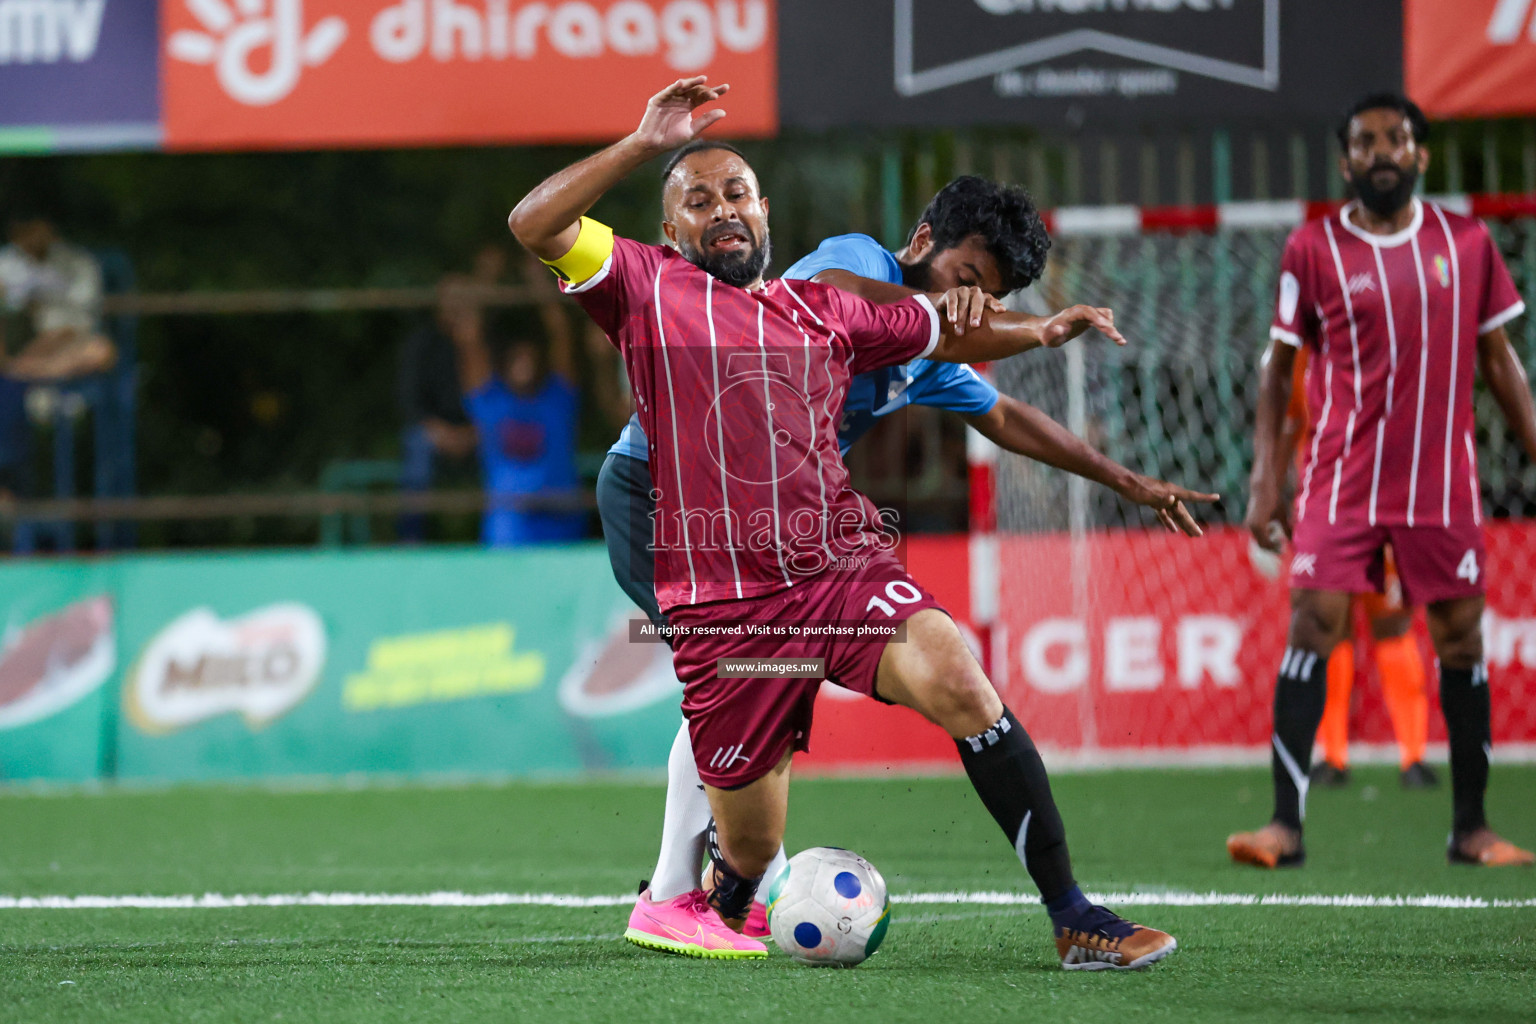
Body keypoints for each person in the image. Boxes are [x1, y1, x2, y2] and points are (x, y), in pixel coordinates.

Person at [510, 76, 1188, 969]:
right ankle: (702, 889)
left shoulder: (821, 315)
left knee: (959, 679)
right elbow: (534, 223)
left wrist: (1042, 338)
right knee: (751, 840)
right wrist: (642, 144)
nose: (723, 208)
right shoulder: (652, 285)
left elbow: (946, 336)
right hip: (699, 560)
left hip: (834, 563)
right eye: (698, 198)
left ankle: (1074, 914)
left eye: (739, 193)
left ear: (765, 214)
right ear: (670, 230)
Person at [1230, 92, 1536, 870]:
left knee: (1461, 639)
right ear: (1346, 161)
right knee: (1313, 626)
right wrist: (1267, 479)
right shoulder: (1312, 248)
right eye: (1364, 142)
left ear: (1421, 155)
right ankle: (1283, 826)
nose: (1381, 153)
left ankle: (1471, 828)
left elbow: (1501, 362)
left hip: (1441, 479)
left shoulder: (1467, 244)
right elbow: (1279, 371)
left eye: (1395, 139)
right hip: (1340, 479)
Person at [1279, 349, 1438, 789]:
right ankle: (1333, 757)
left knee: (1392, 624)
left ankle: (1414, 757)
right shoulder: (1296, 353)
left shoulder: (1386, 339)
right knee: (1330, 627)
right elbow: (1289, 422)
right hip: (1322, 506)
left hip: (1381, 502)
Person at [455, 274, 586, 546]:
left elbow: (561, 332)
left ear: (542, 363)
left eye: (531, 357)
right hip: (508, 530)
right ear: (503, 364)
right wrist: (489, 279)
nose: (524, 363)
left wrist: (538, 284)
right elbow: (470, 339)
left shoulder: (557, 400)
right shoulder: (491, 403)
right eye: (517, 357)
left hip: (561, 525)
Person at [0, 210, 116, 501]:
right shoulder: (6, 263)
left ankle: (25, 370)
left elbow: (78, 324)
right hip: (20, 350)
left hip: (66, 350)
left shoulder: (78, 263)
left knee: (101, 350)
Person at [398, 274, 481, 540]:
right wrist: (441, 432)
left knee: (511, 443)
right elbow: (410, 403)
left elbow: (495, 399)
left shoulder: (484, 345)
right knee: (417, 452)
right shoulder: (422, 344)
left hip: (478, 432)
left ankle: (505, 535)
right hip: (433, 433)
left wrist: (475, 431)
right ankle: (410, 541)